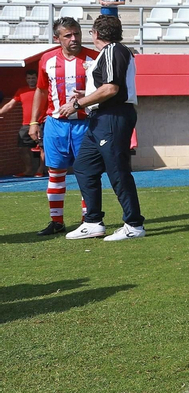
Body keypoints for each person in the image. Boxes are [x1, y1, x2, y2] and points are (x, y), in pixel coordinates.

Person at [65, 16, 144, 241]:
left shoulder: (112, 50)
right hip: (101, 117)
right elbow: (107, 86)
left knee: (117, 170)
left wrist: (78, 104)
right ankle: (92, 222)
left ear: (95, 33)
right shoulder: (111, 52)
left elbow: (111, 88)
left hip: (113, 115)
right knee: (83, 166)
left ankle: (134, 224)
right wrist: (86, 96)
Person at [31, 17, 94, 236]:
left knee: (86, 173)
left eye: (76, 33)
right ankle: (56, 221)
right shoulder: (47, 59)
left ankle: (89, 220)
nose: (74, 38)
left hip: (86, 124)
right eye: (68, 35)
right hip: (55, 125)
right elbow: (40, 90)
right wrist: (33, 121)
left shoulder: (94, 58)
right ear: (57, 38)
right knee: (55, 173)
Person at [2, 72, 42, 177]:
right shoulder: (21, 91)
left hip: (41, 122)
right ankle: (28, 170)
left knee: (43, 147)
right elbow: (10, 105)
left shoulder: (42, 89)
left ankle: (40, 170)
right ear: (26, 79)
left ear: (37, 78)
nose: (31, 80)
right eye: (29, 78)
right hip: (26, 124)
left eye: (33, 78)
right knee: (22, 148)